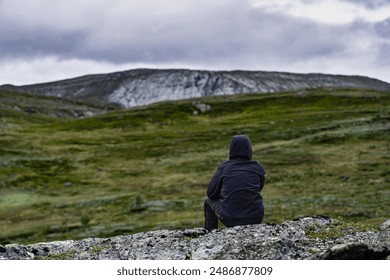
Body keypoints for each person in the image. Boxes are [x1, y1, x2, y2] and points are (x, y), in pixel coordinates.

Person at [204, 135, 265, 230]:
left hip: (231, 218)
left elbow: (211, 194)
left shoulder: (225, 167)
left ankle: (210, 233)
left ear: (231, 149)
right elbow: (259, 188)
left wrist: (225, 195)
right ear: (249, 149)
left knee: (208, 202)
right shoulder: (258, 167)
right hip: (256, 218)